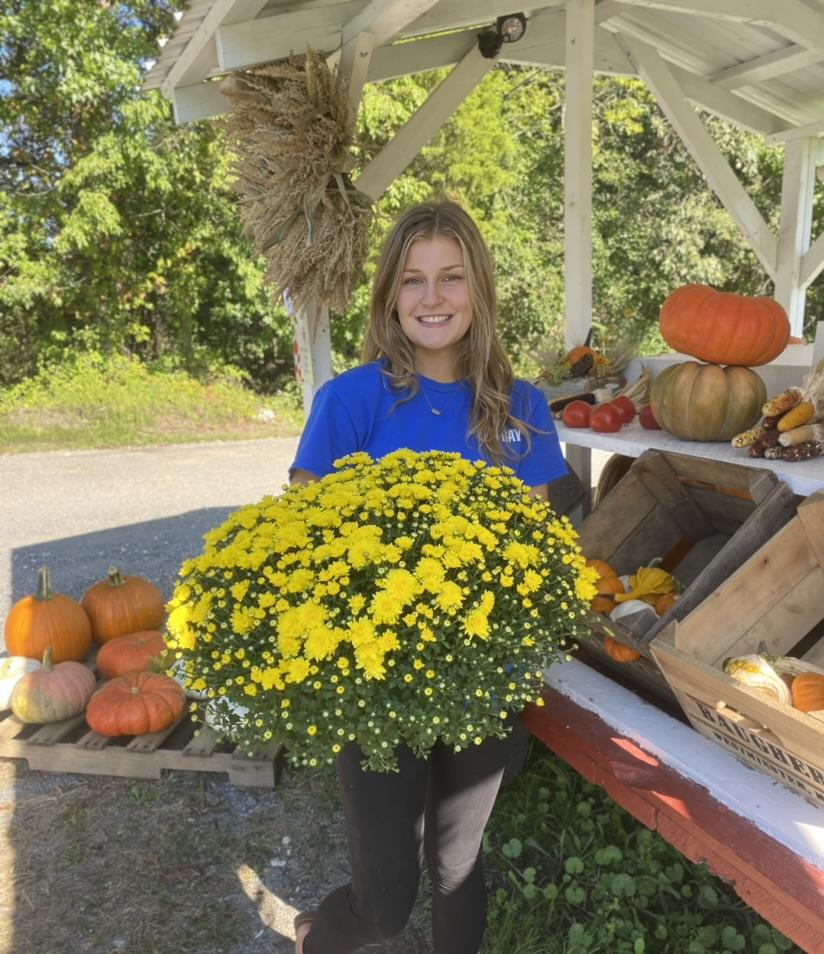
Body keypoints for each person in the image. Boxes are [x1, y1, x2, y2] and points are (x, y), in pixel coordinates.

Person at [289, 200, 569, 954]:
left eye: (450, 277)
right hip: (375, 684)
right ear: (389, 297)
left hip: (485, 681)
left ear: (478, 290)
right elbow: (300, 547)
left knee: (456, 865)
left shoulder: (522, 409)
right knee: (385, 904)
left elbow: (538, 551)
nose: (433, 297)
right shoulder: (349, 402)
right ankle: (317, 937)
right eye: (413, 281)